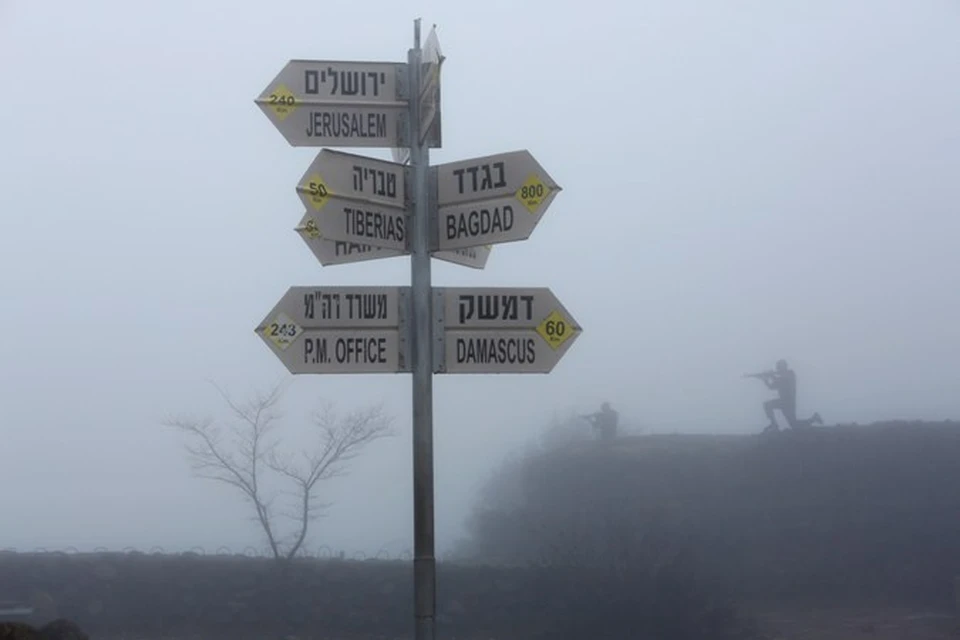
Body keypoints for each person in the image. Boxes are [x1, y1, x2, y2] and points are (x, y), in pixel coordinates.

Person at [745, 359, 822, 433]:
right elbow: (771, 387)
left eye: (779, 367)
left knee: (768, 405)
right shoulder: (782, 376)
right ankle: (813, 418)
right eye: (778, 367)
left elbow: (782, 380)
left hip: (788, 402)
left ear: (784, 367)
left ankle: (774, 425)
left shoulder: (790, 373)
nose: (778, 369)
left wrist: (772, 376)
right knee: (794, 424)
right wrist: (765, 380)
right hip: (784, 402)